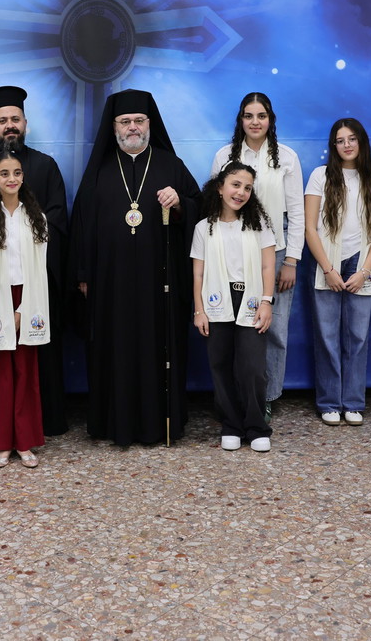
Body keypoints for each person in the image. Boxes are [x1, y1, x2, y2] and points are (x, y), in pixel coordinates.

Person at [69, 89, 200, 445]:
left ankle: (158, 423)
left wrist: (180, 203)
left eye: (139, 121)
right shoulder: (99, 170)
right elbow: (81, 225)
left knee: (158, 346)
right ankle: (115, 424)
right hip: (109, 282)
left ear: (149, 124)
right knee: (114, 349)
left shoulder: (170, 165)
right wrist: (83, 274)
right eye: (125, 121)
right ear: (113, 127)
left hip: (160, 282)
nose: (132, 128)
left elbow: (199, 208)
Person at [0, 86, 70, 435]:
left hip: (37, 282)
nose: (9, 125)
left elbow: (57, 220)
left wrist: (35, 273)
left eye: (15, 119)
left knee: (34, 361)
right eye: (2, 120)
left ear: (25, 123)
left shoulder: (46, 165)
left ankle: (40, 425)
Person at [209, 93, 303, 419]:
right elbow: (213, 206)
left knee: (273, 328)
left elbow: (297, 214)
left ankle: (266, 397)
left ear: (270, 120)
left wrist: (291, 260)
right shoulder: (224, 156)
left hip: (275, 253)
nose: (255, 122)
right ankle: (235, 397)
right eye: (248, 116)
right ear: (241, 120)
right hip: (231, 254)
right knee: (233, 325)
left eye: (261, 116)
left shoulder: (287, 158)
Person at [0, 150, 50, 468]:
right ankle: (2, 443)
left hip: (28, 298)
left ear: (23, 177)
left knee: (25, 373)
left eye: (17, 173)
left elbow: (39, 270)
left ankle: (25, 442)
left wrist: (22, 310)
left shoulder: (36, 218)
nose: (11, 179)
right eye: (4, 173)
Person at [304, 119, 371, 426]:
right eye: (340, 140)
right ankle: (329, 403)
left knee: (357, 337)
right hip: (327, 262)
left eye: (352, 139)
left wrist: (365, 270)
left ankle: (353, 402)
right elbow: (310, 228)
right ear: (333, 145)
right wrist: (328, 269)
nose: (347, 145)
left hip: (360, 264)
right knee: (327, 337)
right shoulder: (320, 175)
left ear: (361, 142)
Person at [191, 162, 276, 452]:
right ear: (220, 187)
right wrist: (199, 310)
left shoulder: (259, 224)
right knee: (220, 365)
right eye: (235, 185)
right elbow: (198, 274)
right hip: (216, 301)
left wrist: (266, 302)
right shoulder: (204, 228)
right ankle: (231, 425)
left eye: (248, 188)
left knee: (252, 368)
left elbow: (267, 266)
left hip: (250, 299)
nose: (241, 192)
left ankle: (256, 427)